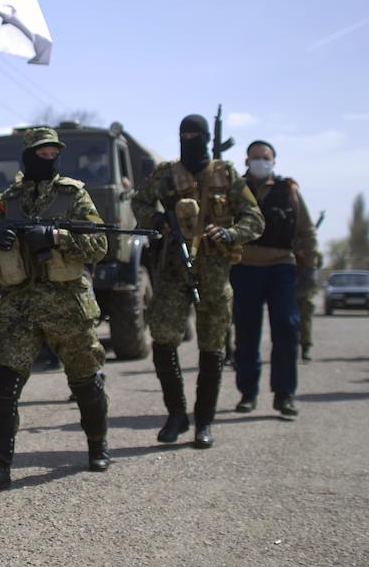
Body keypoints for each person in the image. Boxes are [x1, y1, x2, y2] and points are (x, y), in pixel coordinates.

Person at [0, 127, 112, 494]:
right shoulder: (6, 201)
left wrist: (56, 237)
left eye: (53, 154)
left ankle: (98, 444)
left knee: (84, 378)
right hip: (19, 306)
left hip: (67, 303)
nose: (48, 159)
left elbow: (99, 245)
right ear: (28, 156)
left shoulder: (73, 194)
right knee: (2, 386)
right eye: (41, 153)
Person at [132, 115, 265, 448]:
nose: (189, 139)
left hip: (216, 270)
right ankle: (176, 414)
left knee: (212, 345)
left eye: (195, 135)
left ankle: (204, 421)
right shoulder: (165, 174)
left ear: (206, 138)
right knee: (162, 337)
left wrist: (231, 232)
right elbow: (139, 201)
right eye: (184, 134)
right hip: (174, 268)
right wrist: (158, 219)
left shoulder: (226, 174)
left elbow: (255, 218)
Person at [230, 141, 319, 417]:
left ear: (274, 161)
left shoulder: (288, 190)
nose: (260, 162)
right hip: (245, 267)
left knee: (286, 328)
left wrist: (310, 265)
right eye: (255, 157)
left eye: (264, 157)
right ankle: (248, 393)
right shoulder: (235, 190)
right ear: (246, 162)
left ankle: (284, 395)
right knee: (246, 333)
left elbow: (306, 230)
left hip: (281, 266)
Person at [297, 249, 322, 362]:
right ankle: (289, 349)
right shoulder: (289, 241)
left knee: (306, 319)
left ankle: (305, 348)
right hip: (291, 287)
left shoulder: (313, 250)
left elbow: (317, 265)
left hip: (307, 289)